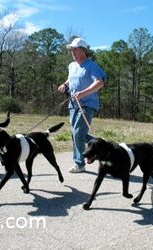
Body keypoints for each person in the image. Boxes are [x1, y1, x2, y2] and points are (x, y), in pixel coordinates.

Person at [58, 37, 106, 173]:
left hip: (87, 104)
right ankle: (103, 144)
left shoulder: (91, 65)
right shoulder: (71, 66)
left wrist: (83, 93)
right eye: (71, 49)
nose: (72, 51)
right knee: (76, 134)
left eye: (74, 49)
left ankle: (79, 164)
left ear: (82, 50)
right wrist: (64, 85)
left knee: (78, 133)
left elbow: (100, 82)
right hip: (73, 104)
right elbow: (71, 79)